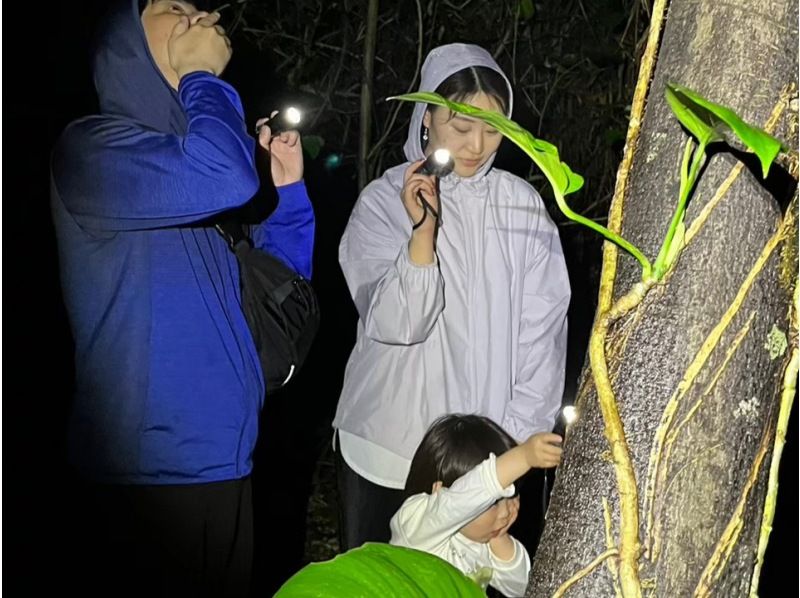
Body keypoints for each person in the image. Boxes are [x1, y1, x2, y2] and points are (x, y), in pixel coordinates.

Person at [49, 1, 314, 595]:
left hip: (228, 462)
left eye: (198, 6)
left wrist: (290, 194)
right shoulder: (90, 150)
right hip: (145, 481)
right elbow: (223, 174)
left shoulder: (199, 172)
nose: (199, 15)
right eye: (173, 8)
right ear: (128, 47)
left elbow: (278, 294)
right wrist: (202, 78)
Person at [333, 42, 570, 551]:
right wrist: (422, 234)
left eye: (493, 130)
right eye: (461, 127)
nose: (477, 145)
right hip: (385, 451)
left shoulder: (521, 207)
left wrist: (508, 450)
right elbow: (397, 323)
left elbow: (543, 335)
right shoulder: (383, 200)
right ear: (425, 120)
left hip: (480, 463)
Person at [390, 414, 562, 597]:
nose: (505, 511)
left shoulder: (482, 541)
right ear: (439, 491)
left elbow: (523, 587)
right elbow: (465, 496)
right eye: (492, 503)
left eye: (512, 494)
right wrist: (522, 457)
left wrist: (499, 539)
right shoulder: (417, 524)